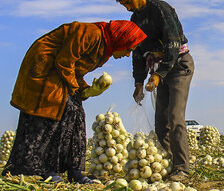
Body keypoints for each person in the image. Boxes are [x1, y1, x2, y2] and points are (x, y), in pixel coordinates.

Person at [1, 20, 146, 183]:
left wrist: (88, 90)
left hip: (60, 73)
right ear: (121, 40)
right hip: (44, 69)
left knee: (76, 114)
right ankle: (36, 170)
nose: (127, 54)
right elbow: (64, 61)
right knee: (48, 113)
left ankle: (74, 170)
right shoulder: (91, 33)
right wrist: (76, 88)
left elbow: (77, 70)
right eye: (129, 49)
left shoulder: (104, 50)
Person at [113, 0, 195, 182]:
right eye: (124, 5)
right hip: (159, 69)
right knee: (161, 123)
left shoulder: (161, 10)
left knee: (175, 118)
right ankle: (167, 163)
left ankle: (182, 168)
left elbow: (173, 44)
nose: (127, 8)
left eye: (128, 2)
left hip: (178, 66)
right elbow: (137, 54)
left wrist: (158, 75)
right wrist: (138, 82)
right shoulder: (135, 21)